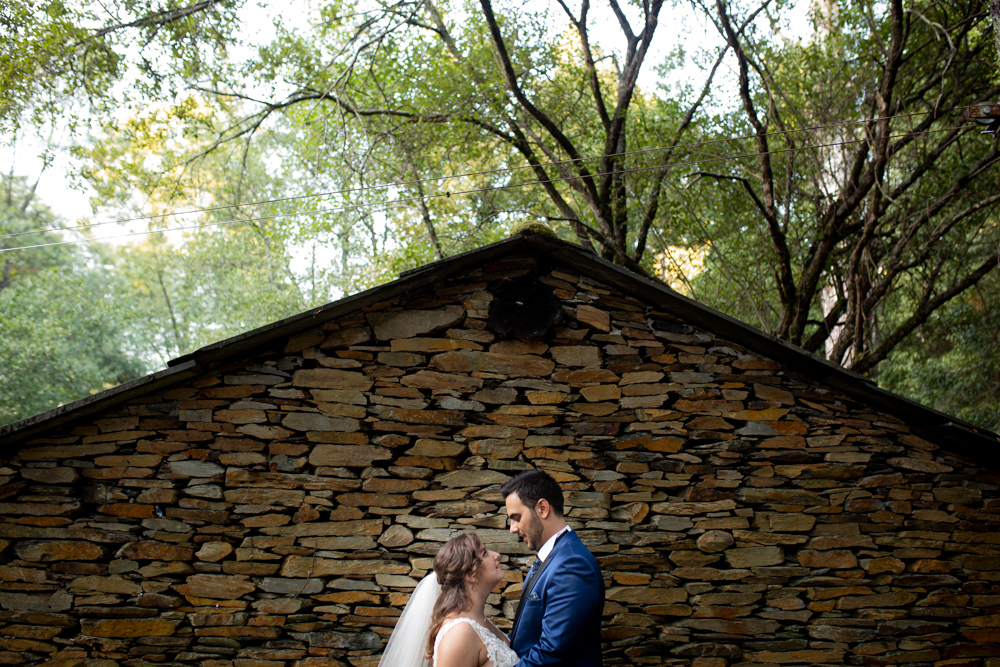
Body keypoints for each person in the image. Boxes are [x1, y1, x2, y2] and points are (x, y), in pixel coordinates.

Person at [502, 470, 604, 667]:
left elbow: (551, 652)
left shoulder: (572, 565)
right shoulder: (556, 557)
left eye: (516, 517)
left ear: (542, 508)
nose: (512, 528)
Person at [377, 532, 519, 667]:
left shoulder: (479, 620)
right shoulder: (459, 633)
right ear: (470, 574)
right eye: (485, 553)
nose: (497, 555)